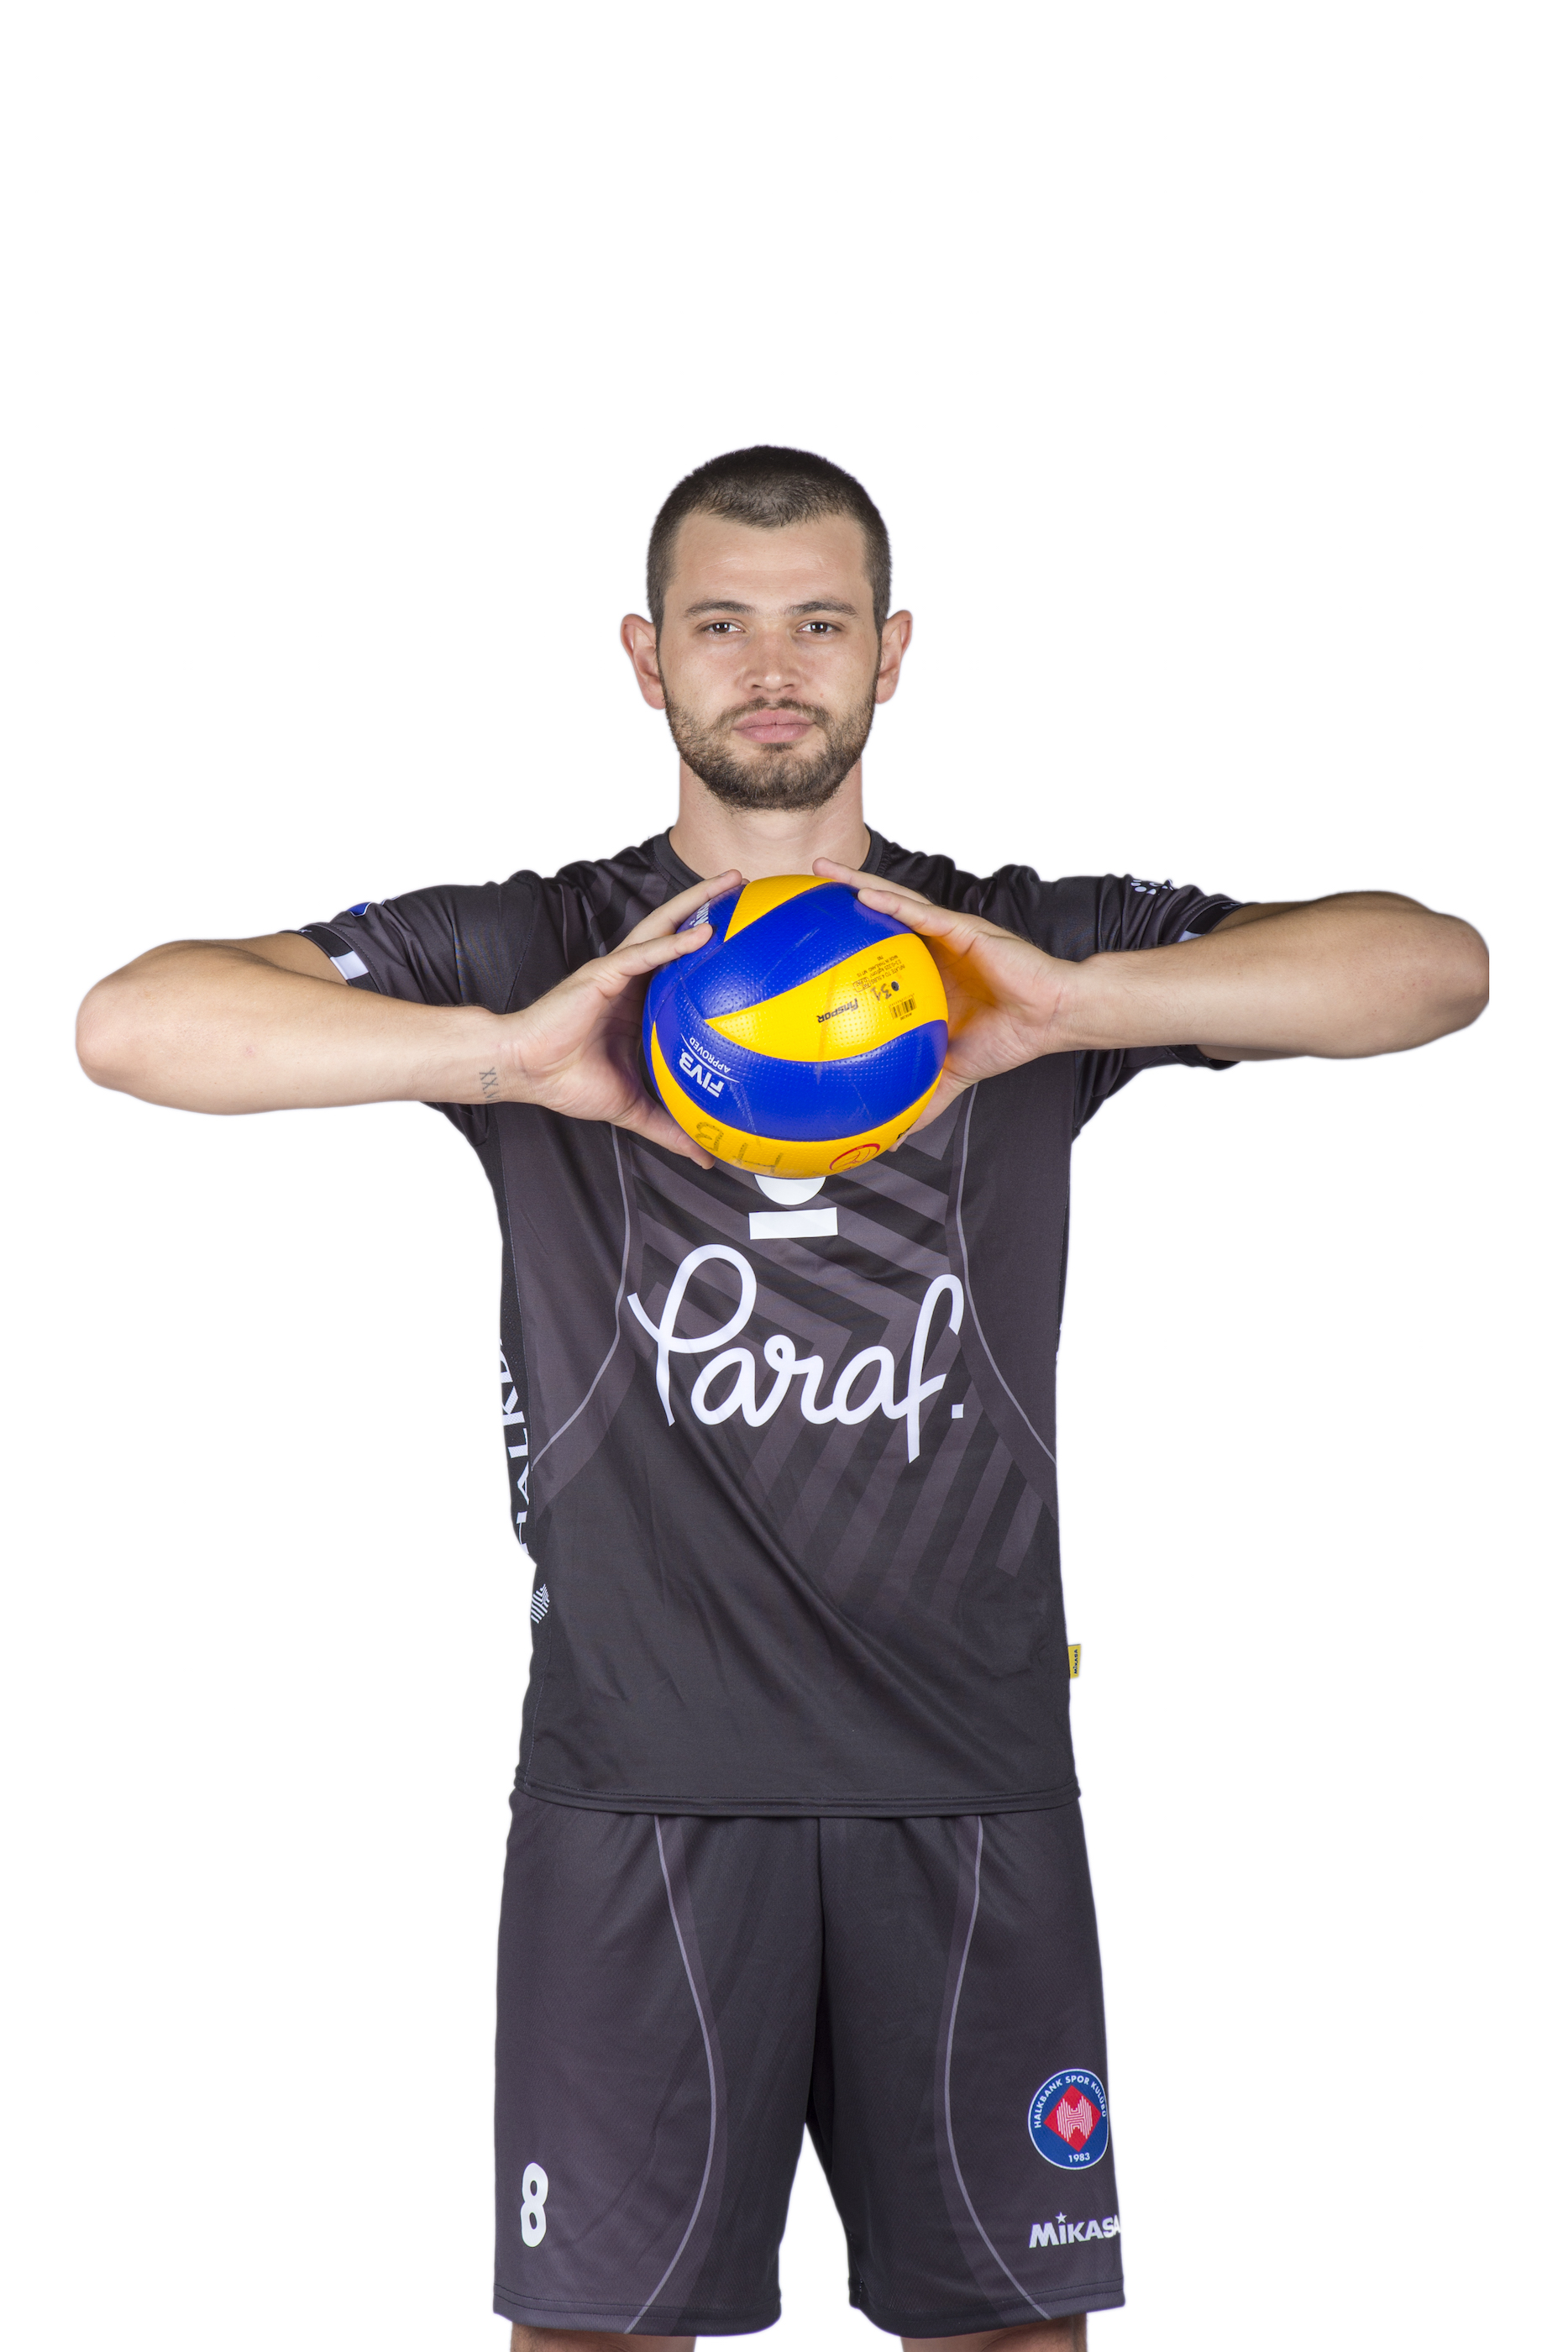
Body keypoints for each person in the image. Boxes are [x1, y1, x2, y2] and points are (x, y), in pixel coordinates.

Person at [76, 446, 1487, 2352]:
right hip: (637, 1787)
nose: (769, 668)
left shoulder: (1010, 945)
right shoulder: (539, 951)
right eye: (722, 624)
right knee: (596, 2337)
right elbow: (132, 1023)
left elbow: (1432, 970)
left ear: (889, 655)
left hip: (967, 1779)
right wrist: (505, 1056)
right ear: (643, 655)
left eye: (818, 624)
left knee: (1013, 2332)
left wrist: (1077, 1009)